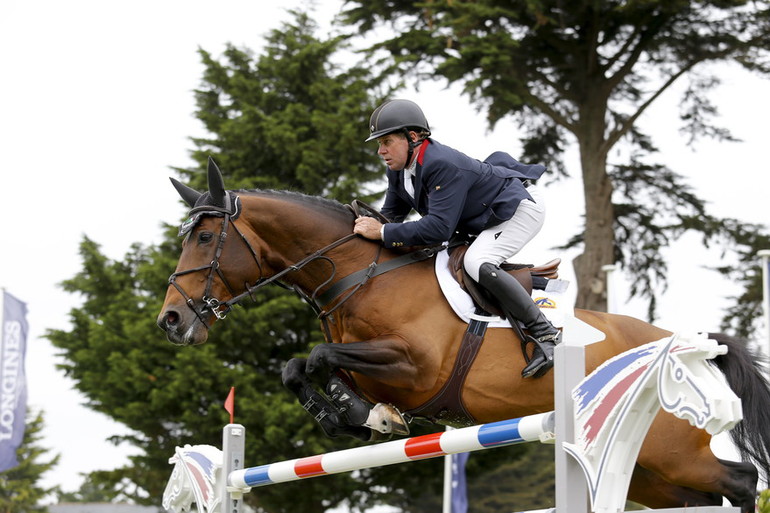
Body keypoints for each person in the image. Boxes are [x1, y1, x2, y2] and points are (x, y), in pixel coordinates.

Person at [353, 99, 561, 378]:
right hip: (484, 215)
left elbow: (437, 229)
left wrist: (381, 232)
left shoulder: (441, 164)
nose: (381, 151)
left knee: (477, 261)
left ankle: (546, 335)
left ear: (412, 137)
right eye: (379, 144)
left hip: (518, 209)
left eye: (387, 141)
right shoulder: (398, 170)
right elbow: (391, 218)